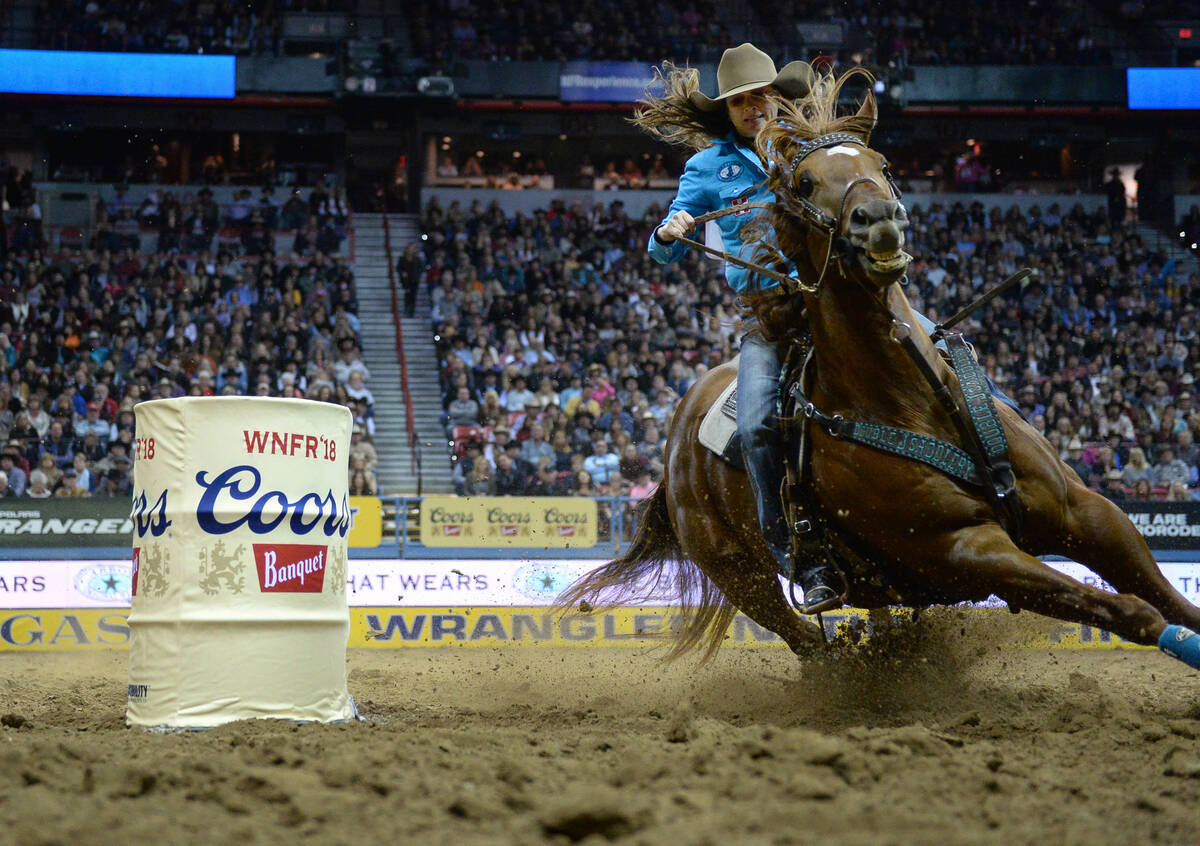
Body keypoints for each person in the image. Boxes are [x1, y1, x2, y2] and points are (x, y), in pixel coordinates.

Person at [638, 43, 839, 612]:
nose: (752, 109)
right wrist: (670, 229)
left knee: (943, 350)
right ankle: (800, 560)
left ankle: (1003, 477)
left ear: (778, 98)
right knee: (754, 428)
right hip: (771, 318)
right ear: (726, 113)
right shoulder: (707, 169)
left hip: (838, 302)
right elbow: (662, 253)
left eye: (759, 97)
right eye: (739, 103)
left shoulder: (812, 148)